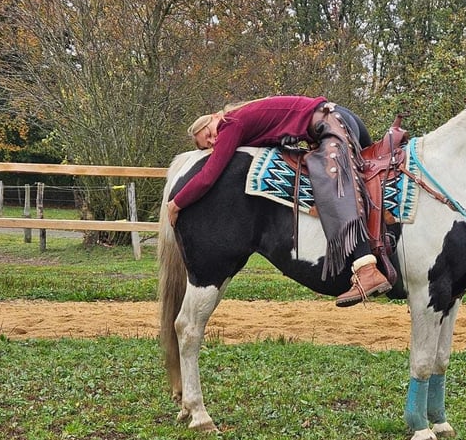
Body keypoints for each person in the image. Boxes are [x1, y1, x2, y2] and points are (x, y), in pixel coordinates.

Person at [166, 95, 391, 307]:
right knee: (365, 183)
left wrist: (177, 203)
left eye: (209, 134)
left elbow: (209, 175)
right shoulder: (244, 117)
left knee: (335, 186)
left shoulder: (231, 123)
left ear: (215, 117)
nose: (215, 141)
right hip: (338, 118)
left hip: (329, 123)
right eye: (208, 145)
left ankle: (366, 266)